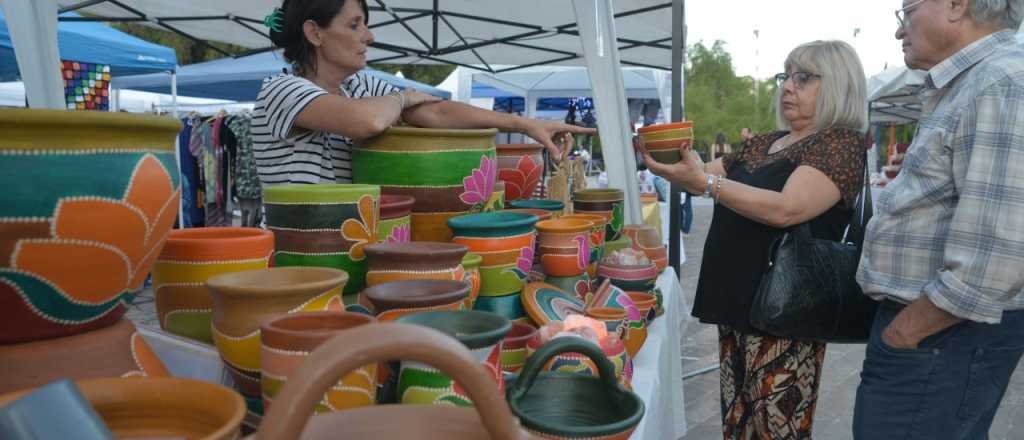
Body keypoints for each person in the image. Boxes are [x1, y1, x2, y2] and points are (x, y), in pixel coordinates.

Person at [640, 40, 868, 439]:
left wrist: (706, 182)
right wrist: (670, 161)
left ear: (838, 85)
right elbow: (702, 177)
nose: (788, 86)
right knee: (738, 424)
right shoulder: (764, 141)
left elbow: (788, 208)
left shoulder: (839, 143)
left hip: (785, 313)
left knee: (776, 431)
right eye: (786, 75)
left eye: (804, 77)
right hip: (737, 303)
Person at [853, 1, 1024, 439]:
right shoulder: (975, 82)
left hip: (940, 337)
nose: (899, 31)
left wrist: (904, 334)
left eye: (906, 12)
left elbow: (993, 259)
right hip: (937, 337)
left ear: (955, 5)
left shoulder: (1000, 81)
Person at [253, 0, 595, 185]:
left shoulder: (361, 87)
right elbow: (368, 121)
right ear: (315, 32)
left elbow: (437, 112)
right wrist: (403, 98)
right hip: (297, 254)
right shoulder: (281, 89)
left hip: (347, 244)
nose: (369, 37)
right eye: (355, 25)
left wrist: (524, 124)